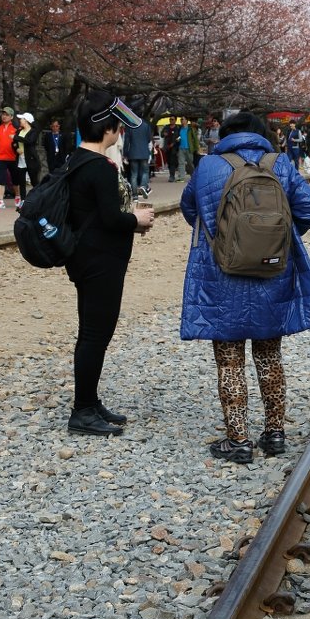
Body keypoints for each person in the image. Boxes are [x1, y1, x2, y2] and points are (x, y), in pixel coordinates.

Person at [179, 111, 310, 464]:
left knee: (229, 360)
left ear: (224, 135)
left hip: (221, 274)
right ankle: (274, 433)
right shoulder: (280, 163)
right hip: (271, 272)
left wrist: (222, 239)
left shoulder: (208, 166)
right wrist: (275, 240)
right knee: (269, 354)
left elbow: (189, 208)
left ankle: (238, 440)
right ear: (261, 135)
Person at [63, 91, 155, 437]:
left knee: (91, 331)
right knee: (95, 335)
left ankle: (89, 400)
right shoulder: (99, 167)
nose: (120, 132)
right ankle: (83, 410)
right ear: (109, 130)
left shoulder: (76, 159)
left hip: (85, 257)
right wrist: (138, 219)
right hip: (101, 259)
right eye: (118, 127)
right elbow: (110, 219)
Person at [0, 106, 18, 206]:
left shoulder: (16, 128)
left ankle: (17, 196)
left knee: (15, 180)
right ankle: (1, 201)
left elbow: (19, 143)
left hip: (13, 158)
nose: (4, 116)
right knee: (1, 179)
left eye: (7, 115)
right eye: (3, 114)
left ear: (11, 117)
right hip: (1, 158)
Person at [123, 106, 152, 193]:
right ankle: (143, 186)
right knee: (145, 172)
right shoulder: (146, 125)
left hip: (133, 153)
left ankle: (135, 195)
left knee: (133, 174)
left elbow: (126, 141)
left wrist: (125, 154)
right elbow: (148, 140)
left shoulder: (129, 126)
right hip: (144, 152)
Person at [13, 112, 40, 200]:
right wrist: (16, 148)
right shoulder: (19, 131)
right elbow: (13, 143)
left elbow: (29, 141)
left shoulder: (33, 131)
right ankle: (23, 201)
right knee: (22, 182)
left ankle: (37, 199)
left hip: (31, 159)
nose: (20, 120)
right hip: (21, 160)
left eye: (22, 119)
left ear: (26, 121)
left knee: (34, 181)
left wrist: (15, 137)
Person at [161, 116, 182, 182]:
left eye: (172, 119)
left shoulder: (178, 127)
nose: (171, 120)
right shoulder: (166, 127)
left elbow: (180, 136)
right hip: (167, 147)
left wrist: (176, 141)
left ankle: (172, 176)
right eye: (170, 119)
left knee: (173, 161)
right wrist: (164, 134)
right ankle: (171, 173)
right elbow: (161, 134)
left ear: (175, 120)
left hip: (174, 147)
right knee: (169, 162)